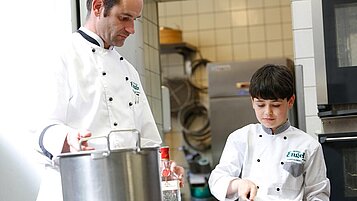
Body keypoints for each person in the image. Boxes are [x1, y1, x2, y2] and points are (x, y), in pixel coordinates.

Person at [35, 0, 183, 200]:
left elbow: (147, 141)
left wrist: (163, 169)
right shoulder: (62, 56)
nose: (131, 29)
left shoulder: (129, 72)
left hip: (123, 190)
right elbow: (42, 130)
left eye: (134, 20)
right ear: (98, 7)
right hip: (74, 188)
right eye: (124, 18)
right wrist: (69, 139)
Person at [208, 64, 330, 201]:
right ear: (252, 102)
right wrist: (239, 184)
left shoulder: (308, 145)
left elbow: (318, 194)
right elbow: (217, 180)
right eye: (260, 105)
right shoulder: (241, 138)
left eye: (276, 105)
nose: (268, 112)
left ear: (290, 101)